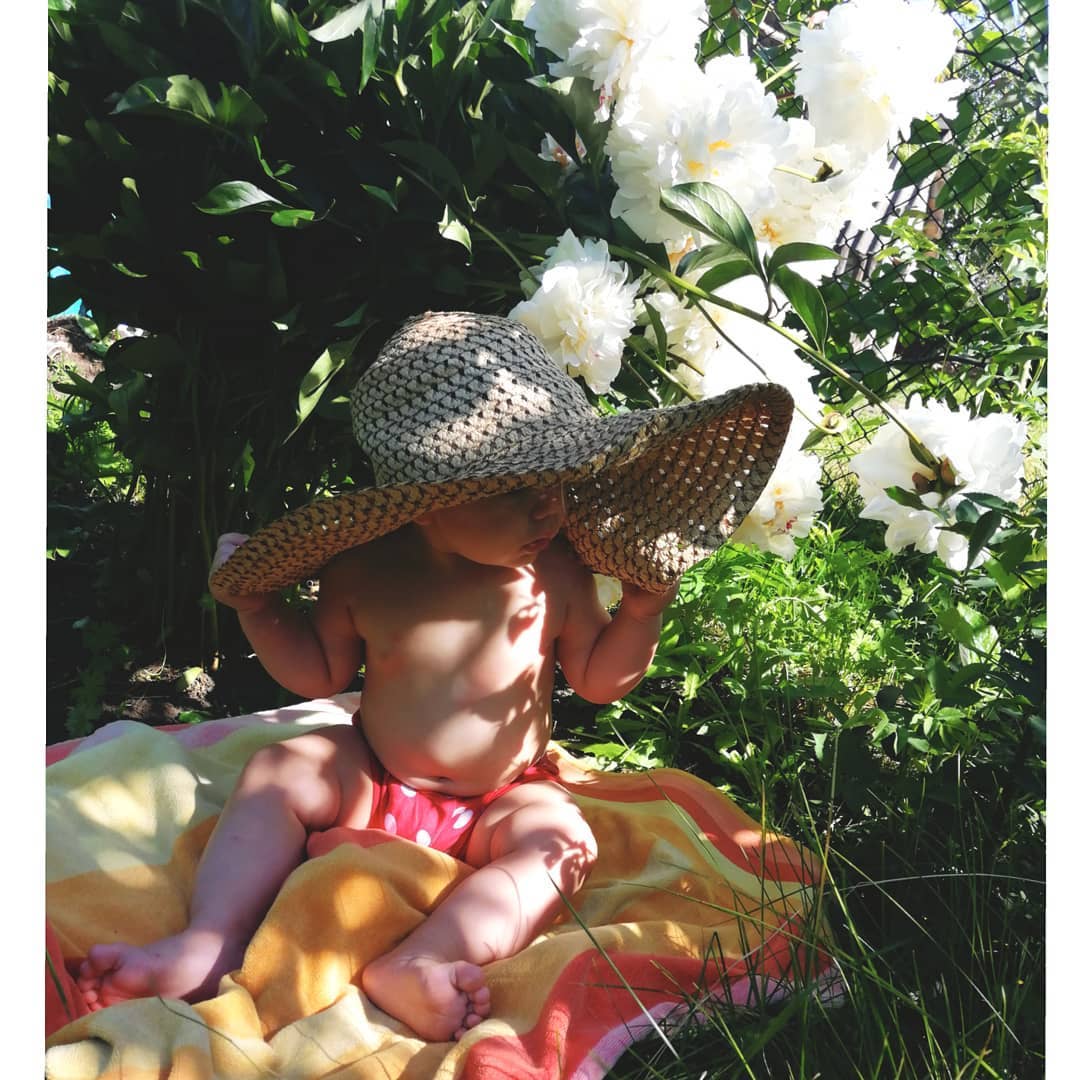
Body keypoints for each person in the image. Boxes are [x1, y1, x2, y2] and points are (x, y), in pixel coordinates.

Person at [76, 311, 793, 1042]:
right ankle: (210, 940)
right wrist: (260, 610)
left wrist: (640, 615)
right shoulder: (365, 571)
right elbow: (318, 673)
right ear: (424, 508)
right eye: (514, 488)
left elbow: (598, 679)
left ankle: (425, 957)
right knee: (278, 771)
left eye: (557, 481)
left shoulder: (557, 573)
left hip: (501, 798)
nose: (548, 507)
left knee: (562, 846)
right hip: (377, 776)